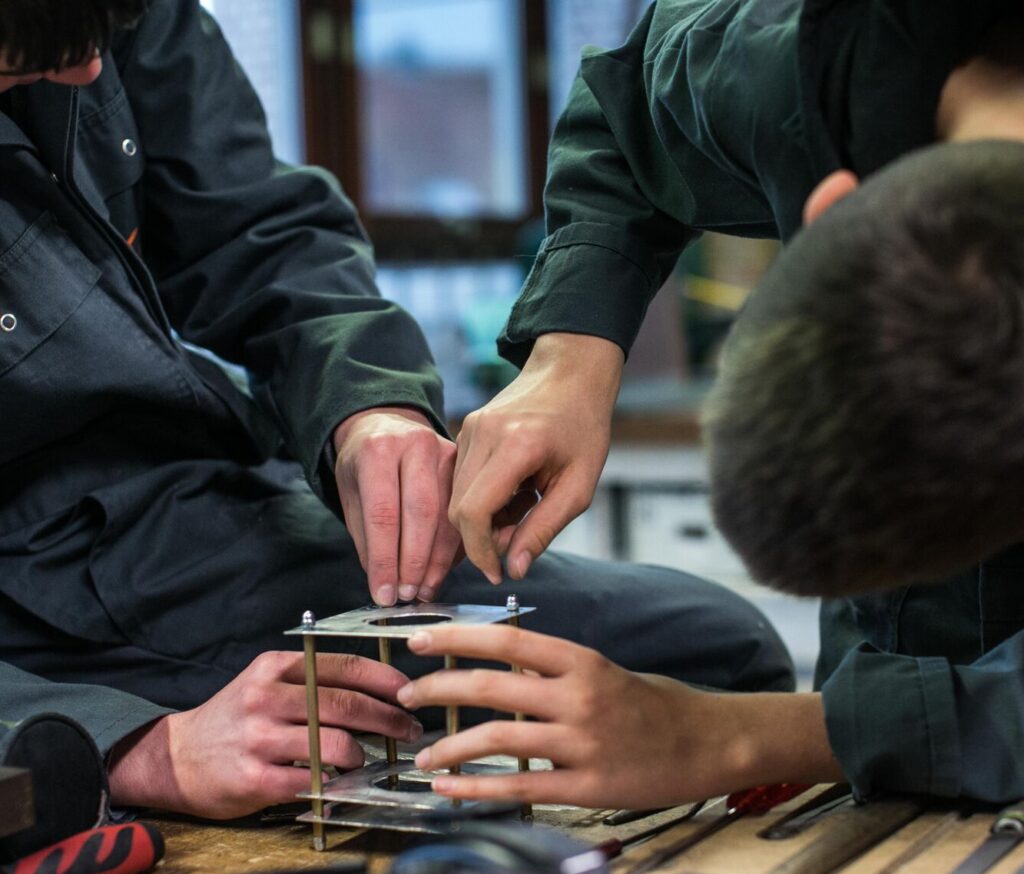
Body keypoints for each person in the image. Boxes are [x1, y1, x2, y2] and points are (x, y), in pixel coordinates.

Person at [0, 0, 793, 819]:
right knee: (709, 676)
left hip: (196, 503)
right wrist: (128, 748)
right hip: (32, 625)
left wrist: (370, 409)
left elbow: (258, 234)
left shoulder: (113, 18)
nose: (89, 72)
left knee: (716, 658)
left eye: (101, 35)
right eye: (26, 55)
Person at [408, 0, 1024, 808]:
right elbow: (625, 118)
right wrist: (569, 353)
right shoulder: (798, 67)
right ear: (833, 204)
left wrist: (737, 734)